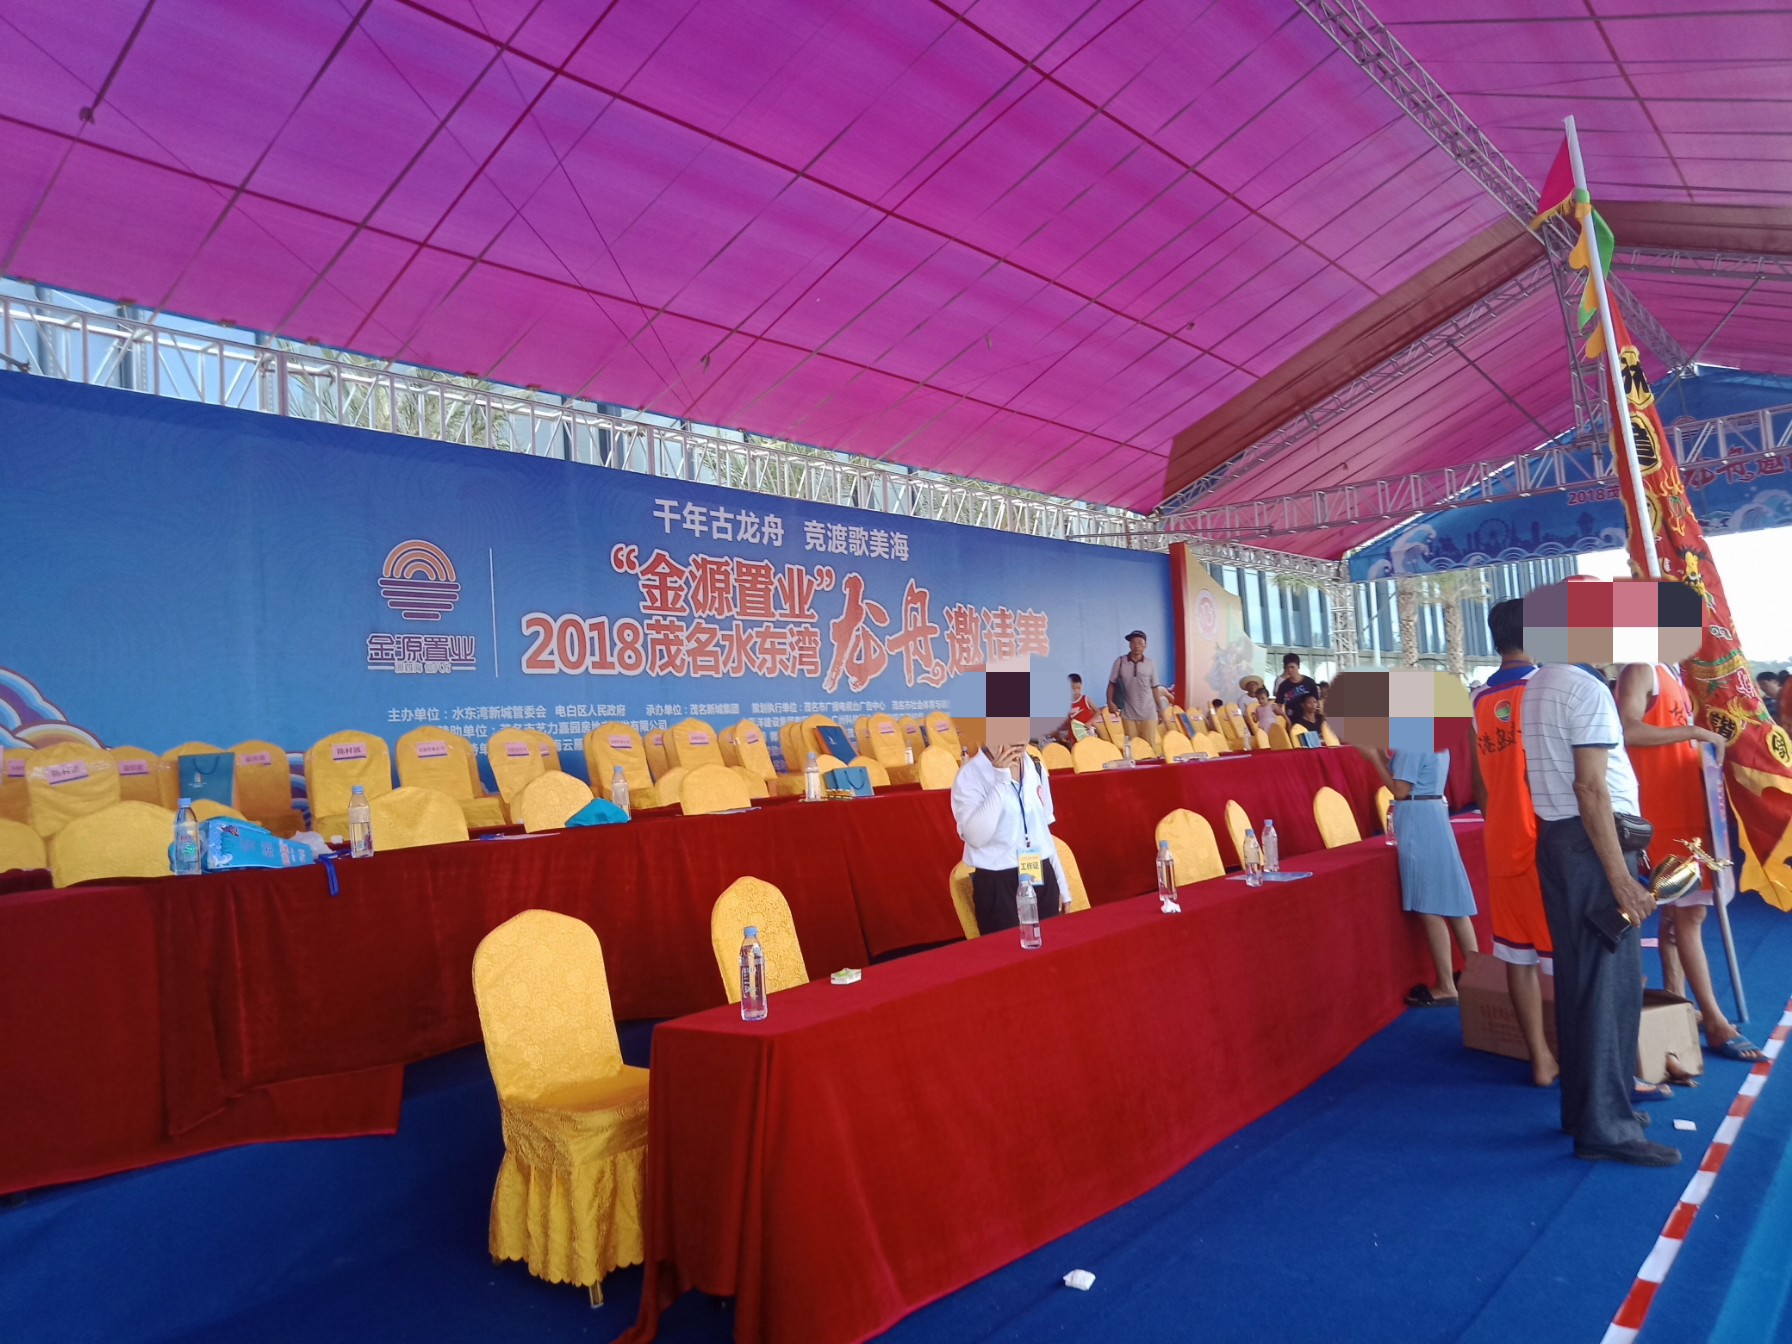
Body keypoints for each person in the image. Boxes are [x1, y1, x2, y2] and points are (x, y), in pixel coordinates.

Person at [1526, 656, 1680, 1166]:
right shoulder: (1584, 688)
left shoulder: (1543, 681)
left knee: (1584, 982)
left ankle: (1590, 1111)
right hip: (1593, 846)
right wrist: (1620, 878)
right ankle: (1605, 1128)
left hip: (1565, 839)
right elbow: (1590, 787)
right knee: (1607, 987)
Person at [1616, 662, 1761, 1063]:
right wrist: (1695, 733)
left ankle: (1678, 1002)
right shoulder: (1640, 668)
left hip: (1686, 809)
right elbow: (1629, 730)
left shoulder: (1674, 674)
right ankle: (1714, 1020)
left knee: (1678, 915)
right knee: (1690, 915)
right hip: (1663, 813)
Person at [1470, 599, 1557, 1087]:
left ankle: (1541, 1058)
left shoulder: (1480, 699)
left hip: (1502, 836)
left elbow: (1480, 784)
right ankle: (1586, 1055)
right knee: (1567, 955)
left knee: (1517, 953)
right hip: (1548, 837)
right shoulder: (1547, 688)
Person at [1371, 741, 1479, 1008]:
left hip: (1419, 820)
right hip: (1433, 813)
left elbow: (1400, 790)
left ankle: (1446, 985)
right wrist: (1382, 755)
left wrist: (1373, 760)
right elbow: (1407, 774)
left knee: (1429, 905)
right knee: (1454, 902)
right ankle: (1478, 976)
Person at [951, 737, 1070, 935]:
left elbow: (1043, 831)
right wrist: (1001, 780)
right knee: (1009, 950)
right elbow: (976, 837)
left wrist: (1062, 885)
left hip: (1039, 871)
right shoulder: (970, 775)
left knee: (1052, 946)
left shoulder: (1034, 765)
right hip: (998, 881)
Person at [1107, 630, 1167, 751]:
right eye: (1133, 642)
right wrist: (1110, 702)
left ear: (1145, 645)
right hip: (1128, 713)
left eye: (1140, 643)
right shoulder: (1120, 662)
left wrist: (1161, 710)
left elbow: (1155, 688)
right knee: (1132, 748)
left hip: (1149, 713)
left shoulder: (1150, 664)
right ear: (1129, 645)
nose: (1137, 646)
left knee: (1149, 748)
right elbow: (1112, 684)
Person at [1053, 674, 1099, 745]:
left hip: (1087, 732)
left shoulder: (1086, 699)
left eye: (1078, 688)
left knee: (1090, 748)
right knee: (1076, 750)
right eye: (1073, 689)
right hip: (1073, 735)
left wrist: (1090, 722)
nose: (1076, 691)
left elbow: (1098, 711)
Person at [1274, 653, 1319, 718]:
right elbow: (1279, 705)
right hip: (1292, 719)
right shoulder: (1283, 686)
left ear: (1298, 666)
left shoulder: (1310, 682)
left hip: (1309, 719)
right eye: (1287, 668)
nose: (1290, 670)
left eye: (1292, 667)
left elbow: (1317, 702)